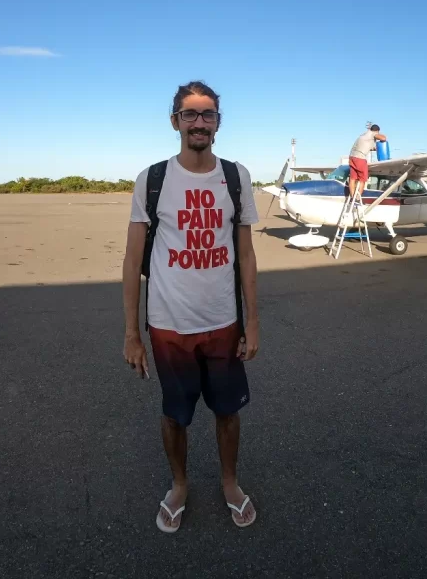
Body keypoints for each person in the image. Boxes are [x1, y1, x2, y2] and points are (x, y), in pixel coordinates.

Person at [122, 80, 261, 534]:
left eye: (207, 115)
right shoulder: (154, 179)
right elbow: (130, 259)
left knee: (227, 412)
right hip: (168, 325)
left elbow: (246, 254)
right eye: (190, 114)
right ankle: (179, 484)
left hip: (223, 321)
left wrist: (253, 323)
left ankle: (229, 482)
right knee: (174, 414)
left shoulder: (236, 178)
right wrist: (131, 333)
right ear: (175, 121)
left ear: (219, 123)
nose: (199, 122)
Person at [348, 124, 386, 200]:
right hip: (360, 158)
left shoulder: (363, 136)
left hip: (352, 157)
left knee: (353, 178)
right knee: (363, 179)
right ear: (377, 131)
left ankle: (352, 197)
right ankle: (358, 198)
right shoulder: (373, 133)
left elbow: (369, 147)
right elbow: (384, 138)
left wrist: (376, 148)